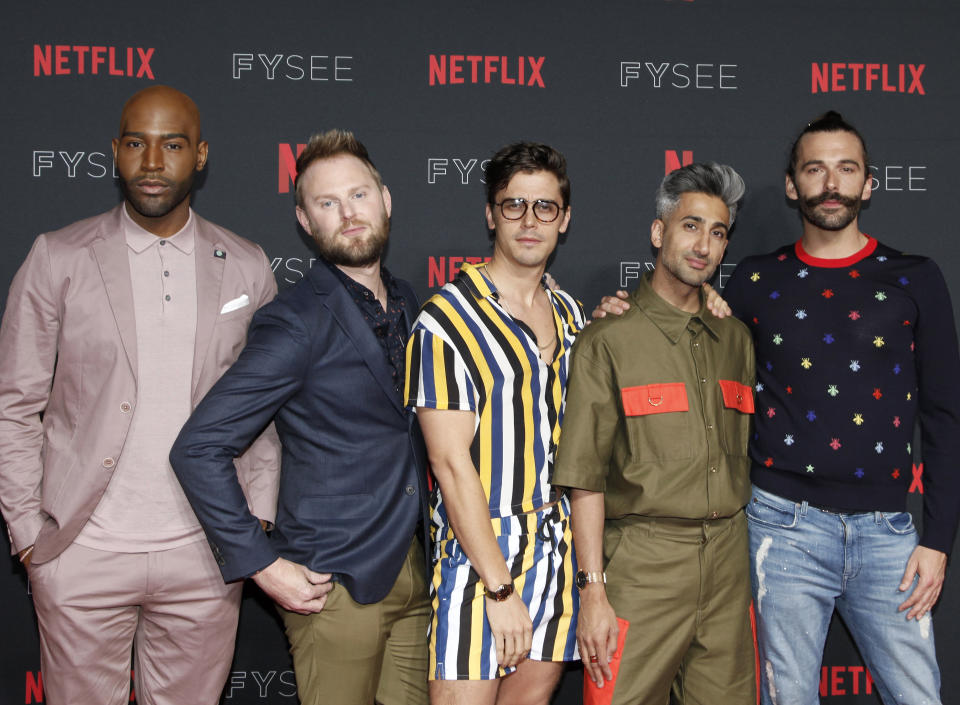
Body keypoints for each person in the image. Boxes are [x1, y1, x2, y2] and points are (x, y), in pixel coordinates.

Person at [0, 85, 280, 705]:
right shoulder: (57, 257)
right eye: (137, 144)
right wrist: (29, 535)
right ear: (115, 152)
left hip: (205, 554)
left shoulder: (246, 265)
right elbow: (14, 403)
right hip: (81, 551)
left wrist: (253, 520)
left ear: (200, 155)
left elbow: (263, 412)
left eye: (172, 145)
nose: (153, 163)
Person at [169, 129, 431, 705]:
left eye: (359, 195)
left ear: (385, 201)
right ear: (306, 222)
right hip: (332, 583)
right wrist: (262, 564)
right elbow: (197, 448)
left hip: (417, 573)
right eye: (327, 203)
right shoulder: (294, 322)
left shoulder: (414, 303)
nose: (349, 213)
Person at [720, 111, 959, 705]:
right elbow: (687, 341)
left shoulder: (916, 278)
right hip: (783, 529)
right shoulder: (754, 280)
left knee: (919, 696)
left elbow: (944, 415)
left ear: (868, 184)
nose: (831, 183)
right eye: (815, 169)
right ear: (791, 185)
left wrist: (938, 540)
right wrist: (624, 311)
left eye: (846, 169)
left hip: (890, 538)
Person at [554, 163, 756, 705]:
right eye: (691, 226)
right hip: (642, 565)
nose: (704, 245)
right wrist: (592, 589)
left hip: (729, 564)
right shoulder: (607, 339)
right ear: (658, 232)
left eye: (717, 233)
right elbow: (585, 479)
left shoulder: (735, 337)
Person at [404, 142, 585, 705]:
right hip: (481, 554)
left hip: (558, 548)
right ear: (490, 214)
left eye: (544, 207)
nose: (529, 221)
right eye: (513, 206)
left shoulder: (572, 313)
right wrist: (499, 587)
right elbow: (450, 465)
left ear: (565, 218)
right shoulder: (447, 318)